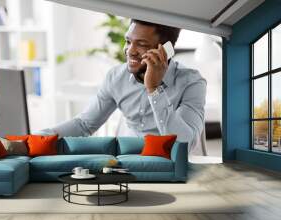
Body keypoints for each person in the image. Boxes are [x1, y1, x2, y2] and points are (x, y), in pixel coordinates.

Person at [36, 19, 207, 151]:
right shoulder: (116, 77)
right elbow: (84, 125)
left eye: (141, 44)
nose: (130, 50)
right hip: (127, 163)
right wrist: (37, 138)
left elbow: (184, 144)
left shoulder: (191, 82)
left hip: (170, 165)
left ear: (165, 50)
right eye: (128, 41)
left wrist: (154, 90)